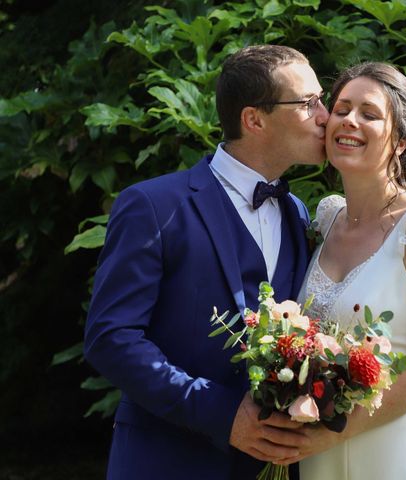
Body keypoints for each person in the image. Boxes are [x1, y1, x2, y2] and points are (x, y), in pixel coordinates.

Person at [83, 44, 329, 480]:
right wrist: (220, 412)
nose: (326, 116)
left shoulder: (298, 213)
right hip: (167, 460)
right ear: (254, 119)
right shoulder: (153, 205)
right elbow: (111, 337)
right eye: (309, 103)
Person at [293, 62, 406, 479]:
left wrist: (335, 432)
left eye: (369, 114)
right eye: (341, 109)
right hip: (318, 453)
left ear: (403, 142)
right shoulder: (327, 217)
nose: (349, 121)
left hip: (393, 448)